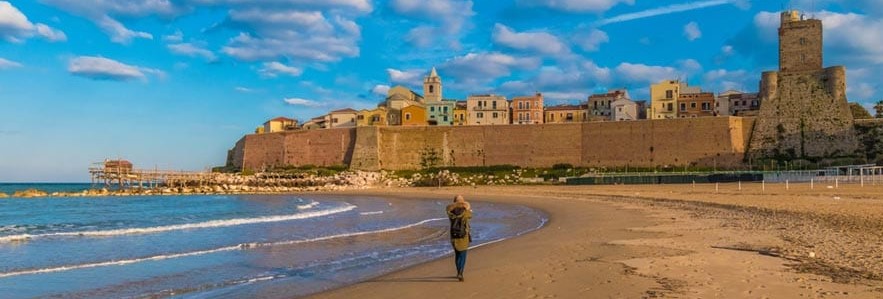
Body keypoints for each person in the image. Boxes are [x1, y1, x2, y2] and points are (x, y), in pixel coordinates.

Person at [446, 195, 472, 282]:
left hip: (453, 235)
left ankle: (458, 271)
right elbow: (470, 216)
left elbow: (448, 210)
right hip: (463, 235)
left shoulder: (450, 212)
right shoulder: (466, 212)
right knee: (463, 255)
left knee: (457, 254)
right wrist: (466, 207)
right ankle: (461, 272)